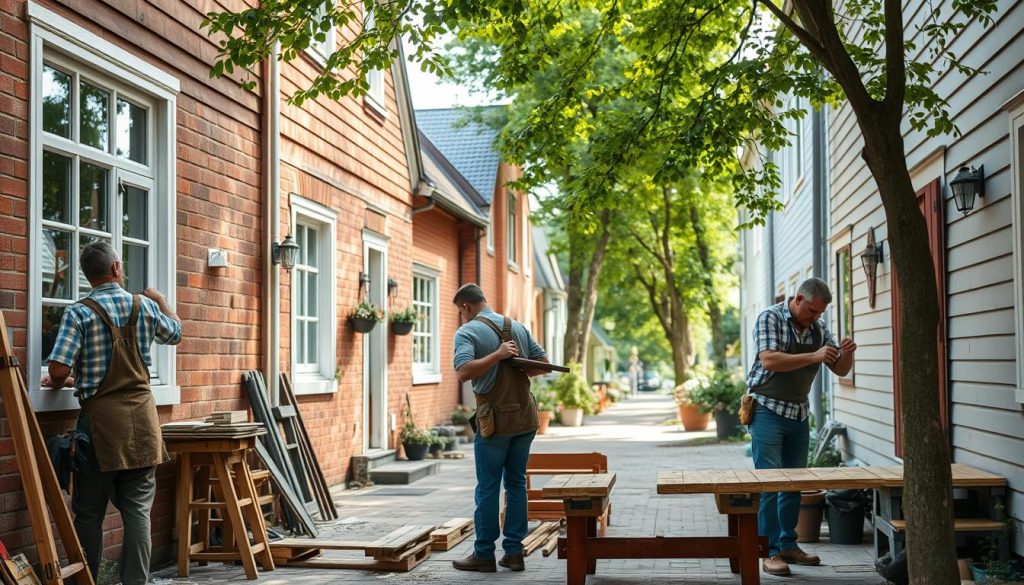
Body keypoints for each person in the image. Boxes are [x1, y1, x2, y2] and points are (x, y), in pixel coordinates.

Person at [43, 241, 181, 585]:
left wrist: (66, 379)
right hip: (144, 423)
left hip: (100, 428)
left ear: (88, 276)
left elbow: (58, 370)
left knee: (89, 513)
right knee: (137, 511)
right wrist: (161, 299)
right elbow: (175, 332)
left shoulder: (79, 312)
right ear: (117, 269)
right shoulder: (145, 306)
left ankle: (87, 581)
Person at [746, 277, 856, 576]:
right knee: (770, 483)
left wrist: (847, 352)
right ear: (797, 299)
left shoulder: (818, 329)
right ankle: (767, 551)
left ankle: (788, 545)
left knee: (793, 484)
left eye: (820, 313)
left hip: (798, 414)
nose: (816, 318)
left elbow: (840, 368)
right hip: (767, 409)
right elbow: (769, 360)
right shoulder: (770, 317)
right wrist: (814, 355)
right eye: (812, 311)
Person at [450, 283, 548, 573]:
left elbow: (463, 372)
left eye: (460, 312)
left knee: (489, 487)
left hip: (495, 421)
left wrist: (498, 357)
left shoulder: (467, 332)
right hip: (525, 418)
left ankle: (483, 554)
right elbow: (541, 364)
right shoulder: (516, 326)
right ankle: (514, 553)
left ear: (466, 306)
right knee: (517, 483)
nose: (461, 318)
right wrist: (513, 361)